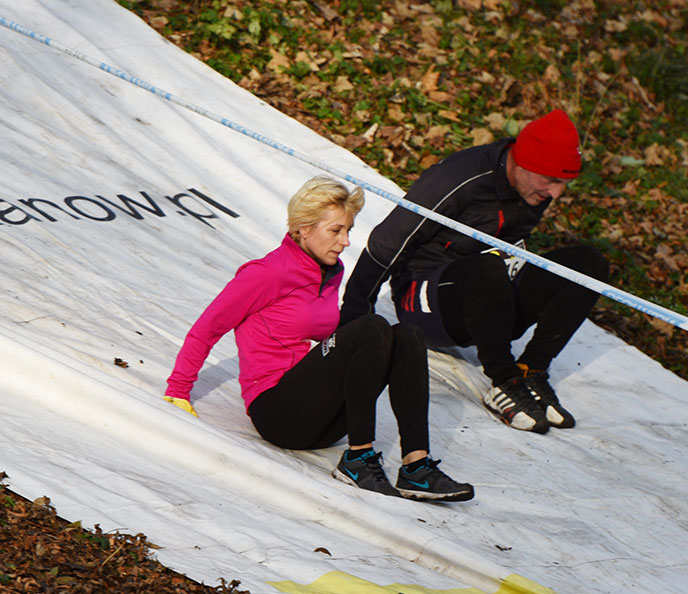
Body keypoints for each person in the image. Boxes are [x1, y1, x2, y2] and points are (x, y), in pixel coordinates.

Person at [163, 175, 474, 502]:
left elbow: (333, 342)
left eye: (348, 231)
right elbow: (208, 327)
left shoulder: (331, 271)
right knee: (372, 326)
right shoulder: (267, 273)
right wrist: (178, 390)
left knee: (407, 335)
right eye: (335, 230)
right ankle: (358, 458)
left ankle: (416, 467)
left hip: (323, 421)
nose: (345, 241)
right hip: (278, 413)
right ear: (303, 229)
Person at [339, 109, 609, 434]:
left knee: (588, 265)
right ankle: (503, 381)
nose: (556, 194)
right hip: (425, 300)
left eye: (564, 184)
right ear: (523, 162)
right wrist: (353, 320)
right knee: (487, 266)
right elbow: (387, 242)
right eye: (550, 180)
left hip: (486, 295)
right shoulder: (458, 178)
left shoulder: (534, 189)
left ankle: (530, 370)